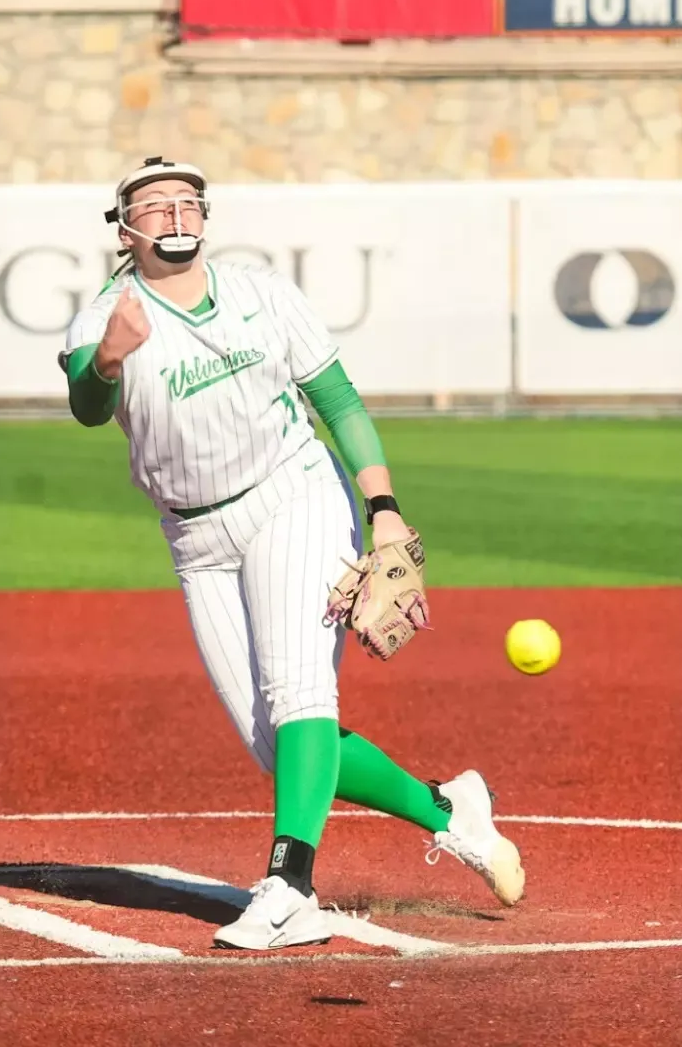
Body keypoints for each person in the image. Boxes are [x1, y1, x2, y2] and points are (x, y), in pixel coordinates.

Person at [56, 157, 525, 949]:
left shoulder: (264, 295)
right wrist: (108, 358)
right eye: (154, 204)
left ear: (206, 217)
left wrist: (382, 511)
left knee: (301, 689)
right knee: (277, 745)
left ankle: (289, 885)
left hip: (293, 495)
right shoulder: (106, 318)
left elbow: (338, 402)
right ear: (124, 227)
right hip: (196, 537)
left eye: (187, 202)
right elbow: (86, 407)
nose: (173, 215)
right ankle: (452, 811)